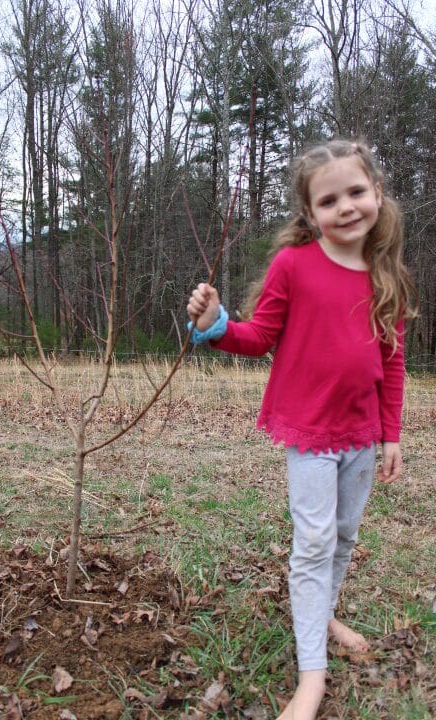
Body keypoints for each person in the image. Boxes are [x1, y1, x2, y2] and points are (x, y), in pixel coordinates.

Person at [186, 138, 417, 720]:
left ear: (378, 195)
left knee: (341, 537)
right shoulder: (294, 265)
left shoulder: (386, 272)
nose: (346, 207)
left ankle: (325, 611)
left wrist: (391, 434)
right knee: (313, 543)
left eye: (356, 192)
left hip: (363, 436)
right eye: (329, 199)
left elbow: (392, 361)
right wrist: (216, 324)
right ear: (309, 213)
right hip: (310, 433)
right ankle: (311, 673)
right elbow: (259, 336)